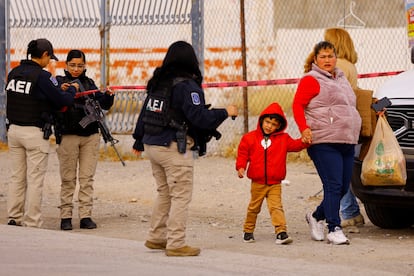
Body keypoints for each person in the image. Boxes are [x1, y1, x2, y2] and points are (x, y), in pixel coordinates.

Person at [132, 40, 238, 257]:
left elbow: (145, 113)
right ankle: (176, 243)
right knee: (180, 195)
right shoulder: (186, 86)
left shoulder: (159, 82)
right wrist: (226, 112)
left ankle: (156, 237)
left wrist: (138, 140)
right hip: (173, 148)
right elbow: (200, 118)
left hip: (152, 145)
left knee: (165, 193)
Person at [293, 41, 361, 245]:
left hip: (347, 139)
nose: (327, 60)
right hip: (323, 140)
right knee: (332, 185)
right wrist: (304, 128)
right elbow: (297, 104)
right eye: (322, 56)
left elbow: (349, 105)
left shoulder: (341, 78)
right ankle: (334, 228)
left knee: (341, 188)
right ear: (315, 60)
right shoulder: (311, 80)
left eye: (330, 56)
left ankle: (315, 216)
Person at [5, 38, 77, 228]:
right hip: (34, 133)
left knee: (16, 176)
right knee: (35, 179)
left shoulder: (14, 73)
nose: (49, 62)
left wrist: (55, 90)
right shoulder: (43, 76)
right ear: (44, 55)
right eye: (49, 58)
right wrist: (71, 91)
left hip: (13, 130)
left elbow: (32, 95)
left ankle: (13, 216)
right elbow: (62, 101)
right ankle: (32, 221)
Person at [55, 49, 115, 231]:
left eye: (80, 65)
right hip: (68, 136)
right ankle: (66, 216)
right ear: (66, 65)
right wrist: (62, 90)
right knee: (68, 179)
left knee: (87, 178)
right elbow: (54, 101)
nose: (76, 69)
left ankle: (85, 215)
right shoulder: (59, 82)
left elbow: (103, 103)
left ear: (85, 66)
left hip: (90, 136)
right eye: (72, 65)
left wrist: (108, 96)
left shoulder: (88, 83)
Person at [235, 102, 308, 245]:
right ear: (262, 120)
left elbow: (296, 145)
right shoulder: (249, 138)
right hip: (258, 182)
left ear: (279, 126)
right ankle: (248, 231)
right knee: (254, 208)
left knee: (276, 207)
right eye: (267, 122)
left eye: (274, 124)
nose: (269, 126)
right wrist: (240, 167)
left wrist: (305, 141)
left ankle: (281, 232)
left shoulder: (283, 139)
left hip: (275, 183)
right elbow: (243, 154)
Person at [324, 27, 365, 230]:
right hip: (350, 121)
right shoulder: (350, 65)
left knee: (336, 170)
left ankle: (348, 211)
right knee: (343, 168)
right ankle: (352, 211)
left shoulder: (336, 65)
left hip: (336, 123)